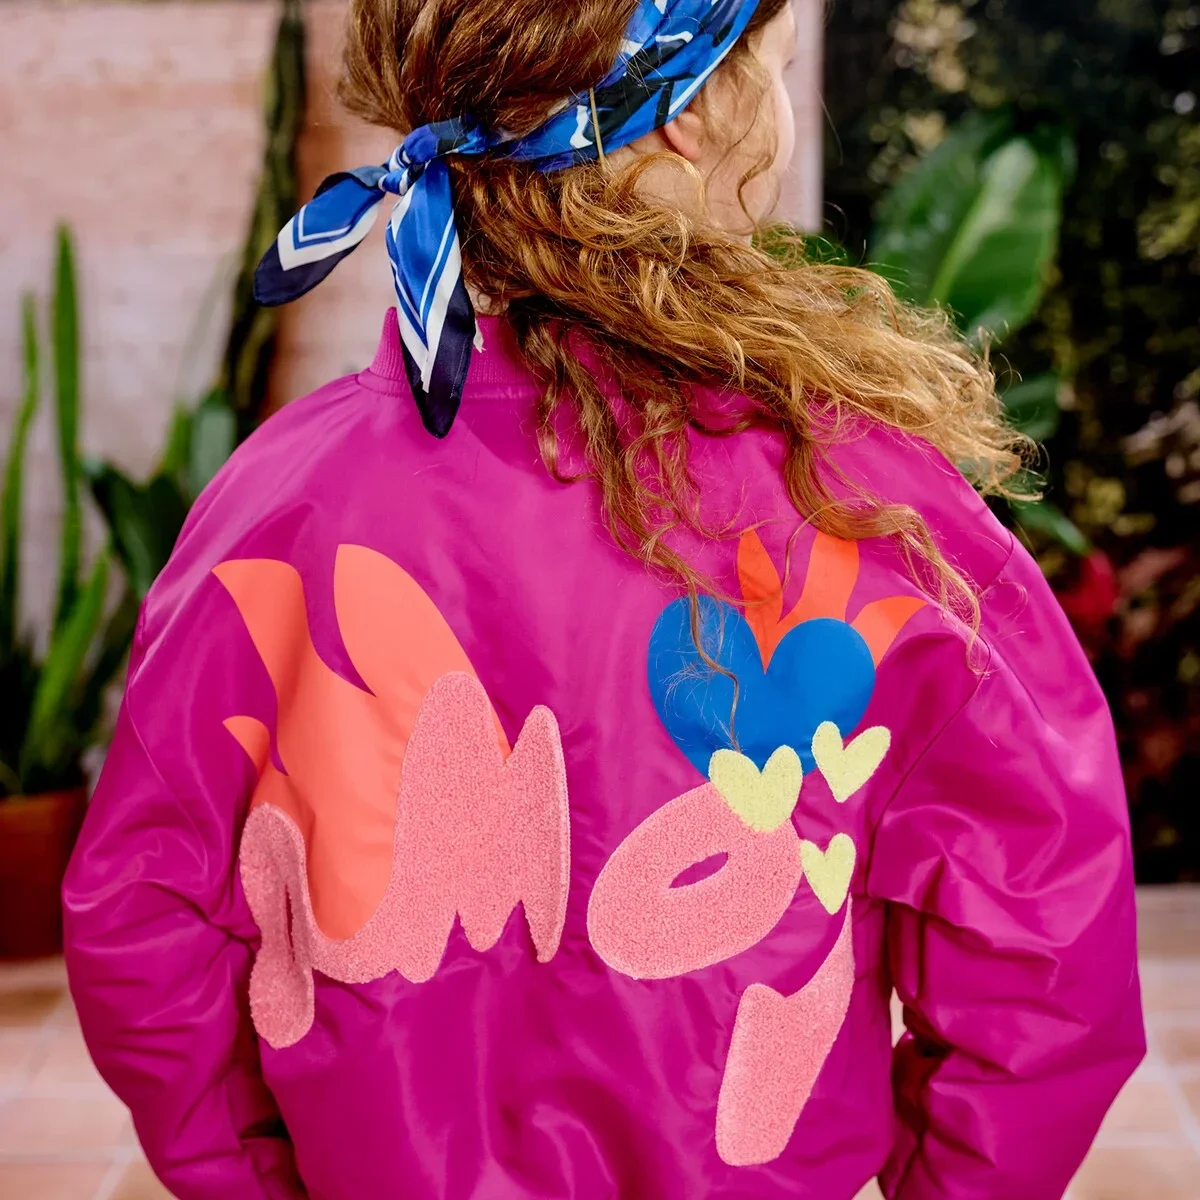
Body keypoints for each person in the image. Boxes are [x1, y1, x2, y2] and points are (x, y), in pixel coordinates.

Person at [62, 2, 1146, 1197]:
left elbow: (141, 921)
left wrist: (255, 1181)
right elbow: (1044, 945)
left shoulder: (275, 509)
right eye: (776, 72)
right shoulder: (872, 512)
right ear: (689, 114)